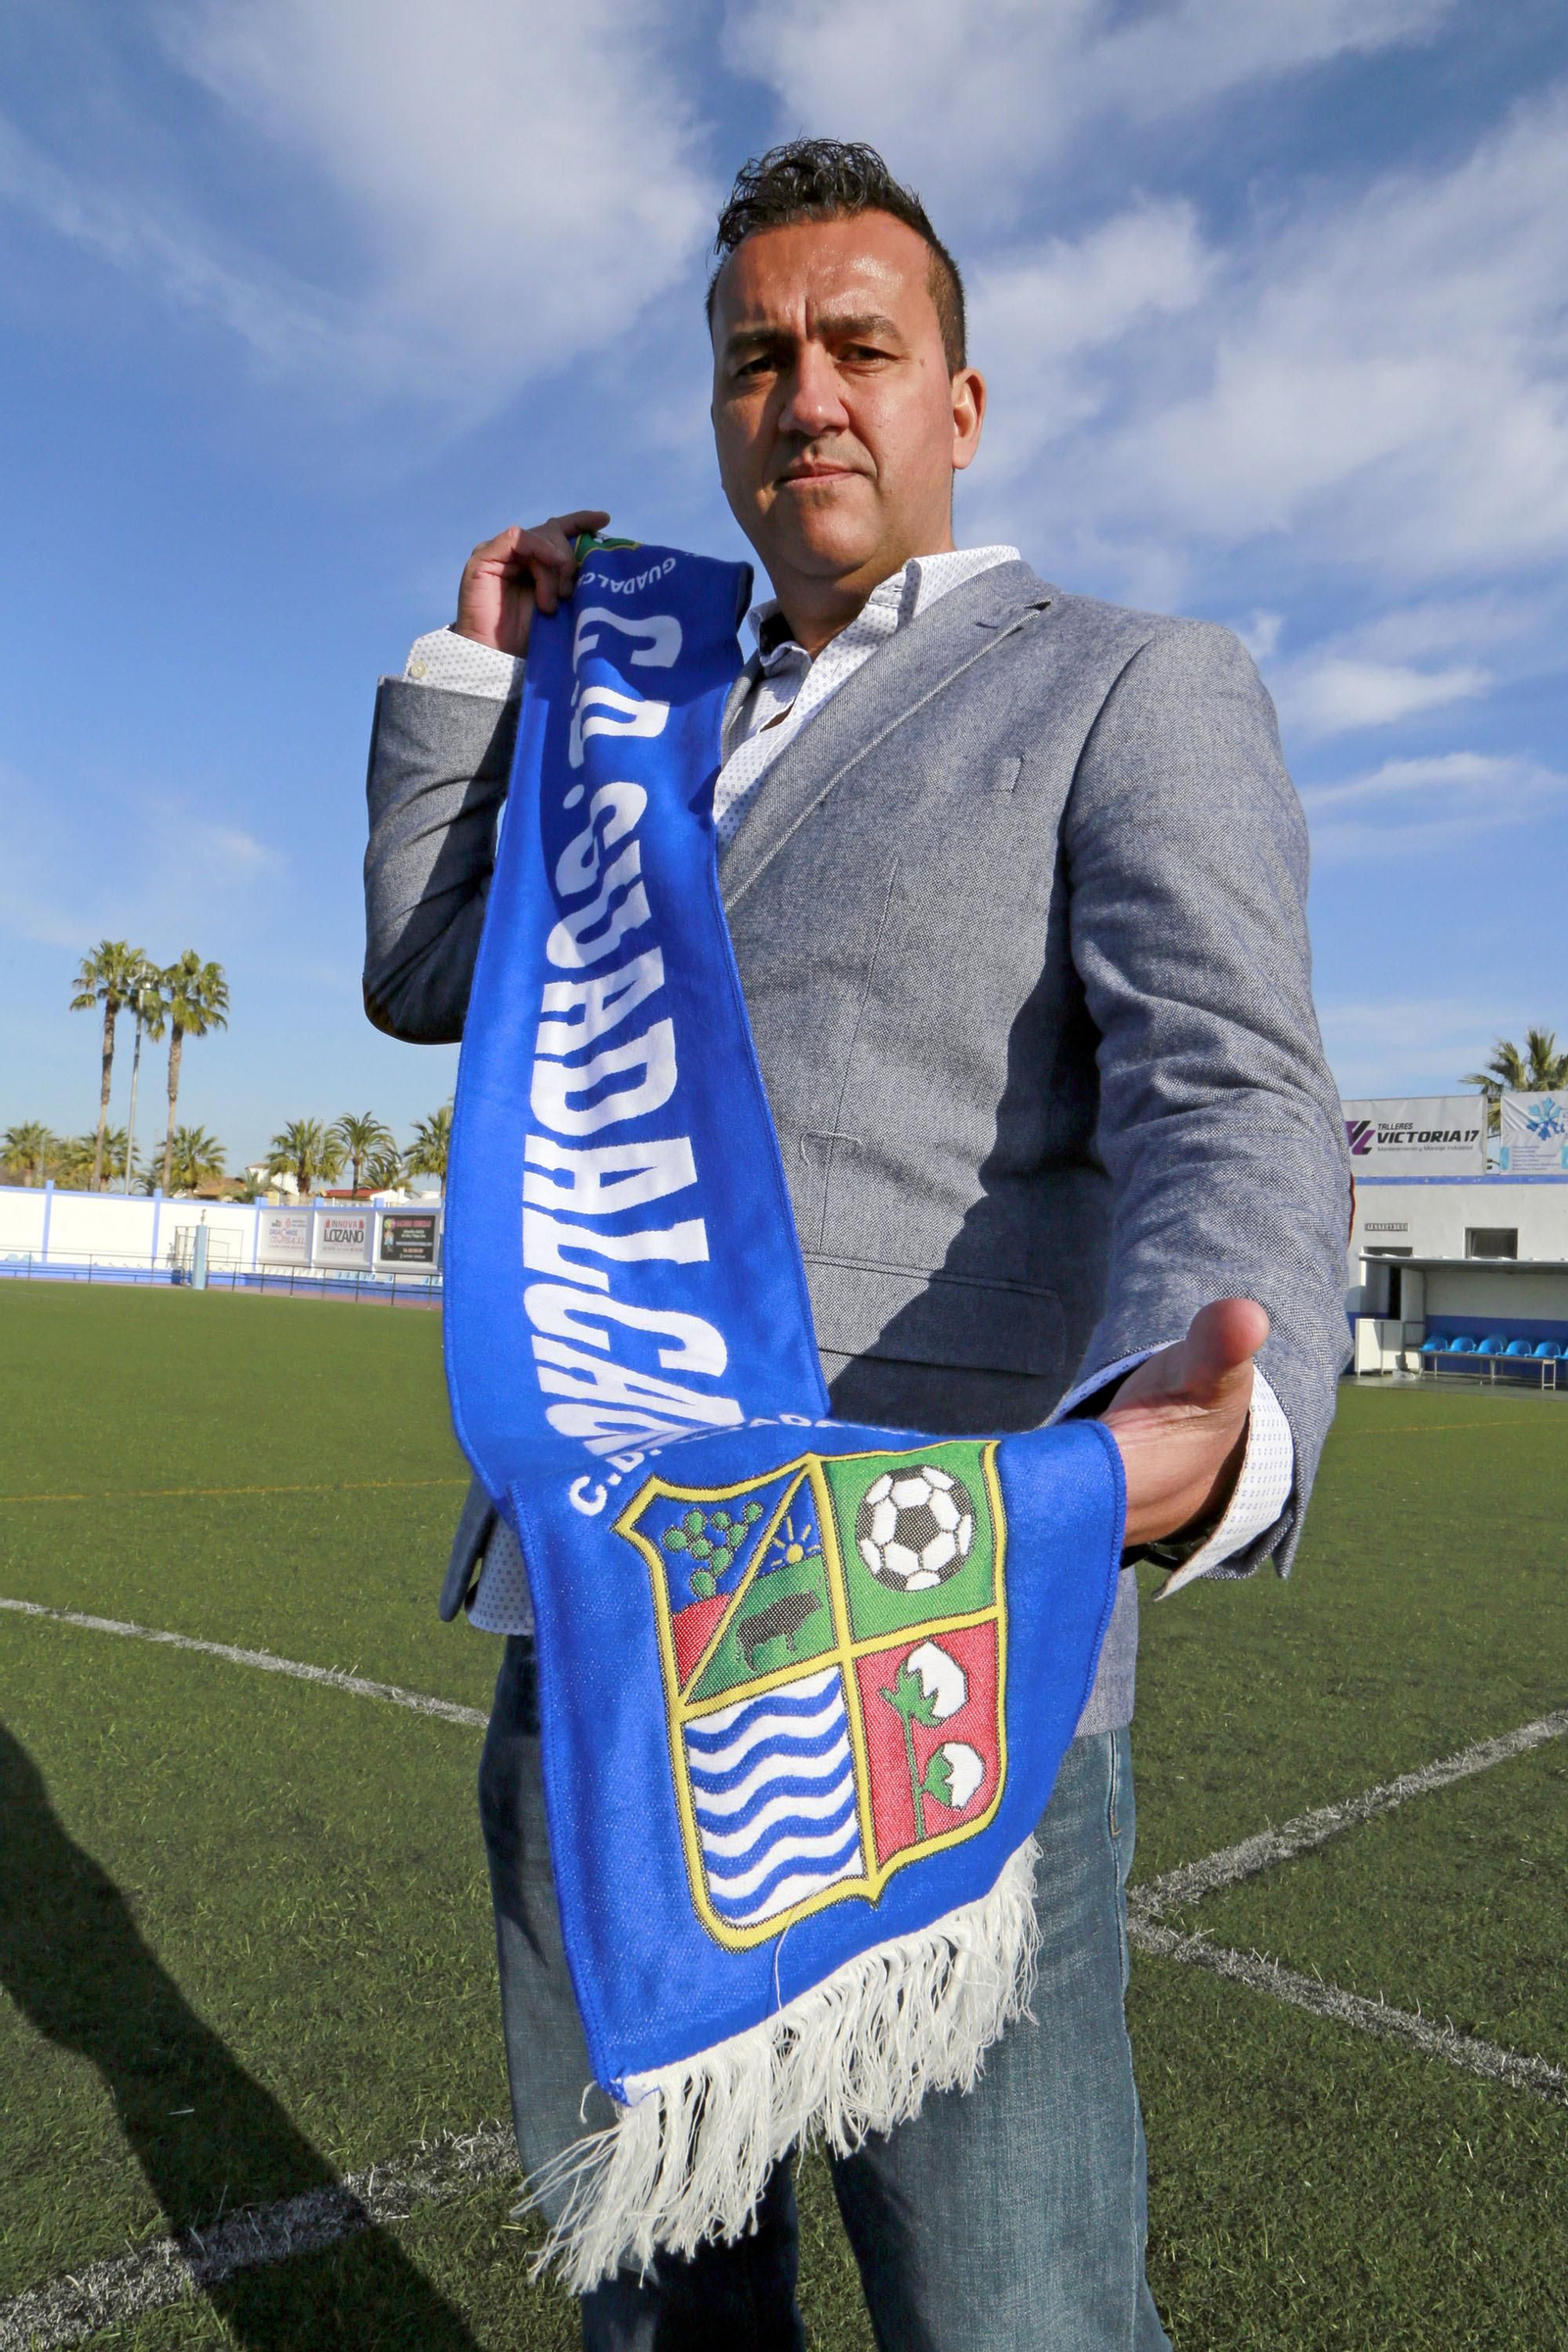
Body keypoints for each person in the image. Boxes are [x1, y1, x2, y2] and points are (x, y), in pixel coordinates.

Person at [363, 139, 1349, 2352]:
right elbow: (431, 974)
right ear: (719, 412)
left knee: (1012, 2320)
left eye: (855, 348)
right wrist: (470, 663)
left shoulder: (1123, 680)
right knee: (657, 2309)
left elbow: (1226, 1080)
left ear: (955, 404)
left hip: (931, 1641)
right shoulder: (624, 720)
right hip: (606, 1620)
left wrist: (1230, 1391)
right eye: (754, 359)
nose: (803, 392)